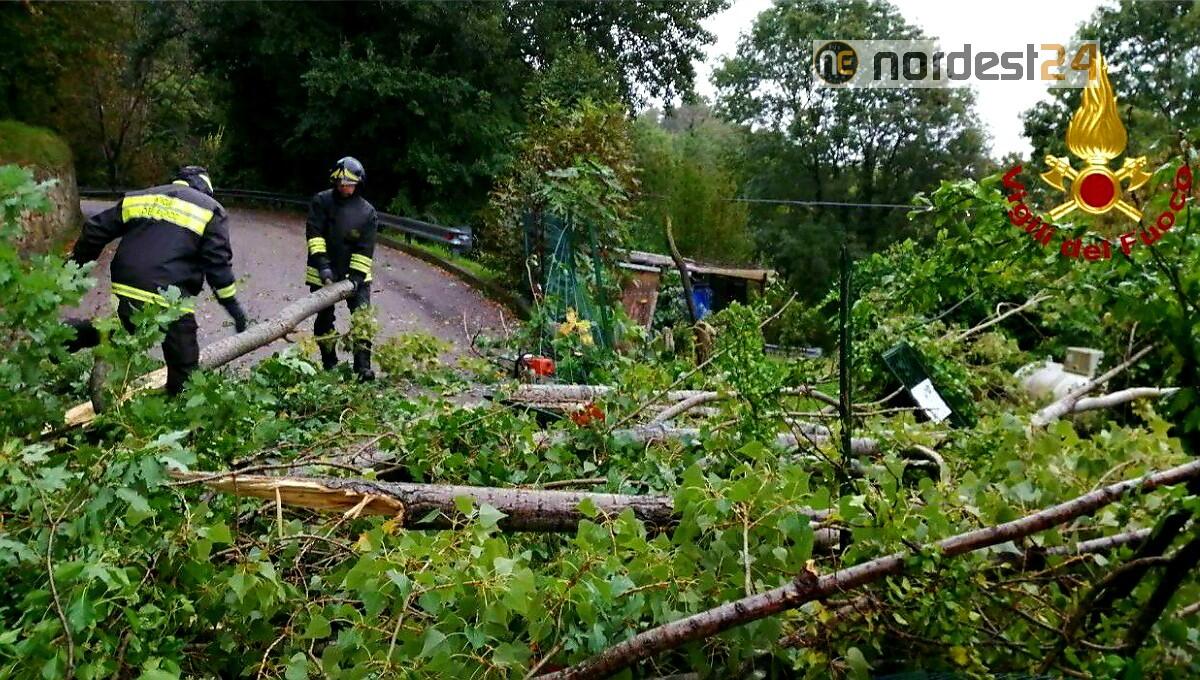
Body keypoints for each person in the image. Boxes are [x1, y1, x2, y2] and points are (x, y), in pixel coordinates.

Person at [67, 165, 249, 395]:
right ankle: (179, 411)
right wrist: (233, 308)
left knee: (127, 329)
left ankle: (74, 334)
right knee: (184, 366)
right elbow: (217, 265)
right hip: (169, 297)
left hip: (126, 284)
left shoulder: (140, 197)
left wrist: (75, 268)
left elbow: (95, 230)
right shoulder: (210, 209)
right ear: (206, 189)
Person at [305, 156, 378, 381]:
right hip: (323, 272)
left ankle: (363, 368)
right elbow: (314, 234)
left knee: (362, 320)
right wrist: (323, 266)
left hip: (356, 275)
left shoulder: (367, 213)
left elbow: (365, 248)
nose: (344, 187)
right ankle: (330, 363)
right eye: (341, 183)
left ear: (358, 184)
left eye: (349, 184)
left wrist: (355, 278)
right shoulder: (321, 202)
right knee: (324, 321)